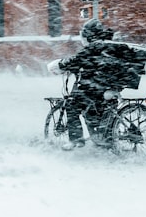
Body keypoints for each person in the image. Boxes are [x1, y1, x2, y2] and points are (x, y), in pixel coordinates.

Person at [53, 19, 125, 150]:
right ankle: (103, 140)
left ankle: (76, 140)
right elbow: (93, 63)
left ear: (89, 35)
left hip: (96, 88)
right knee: (96, 111)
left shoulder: (94, 46)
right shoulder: (110, 45)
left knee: (72, 105)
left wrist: (61, 64)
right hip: (110, 86)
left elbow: (77, 59)